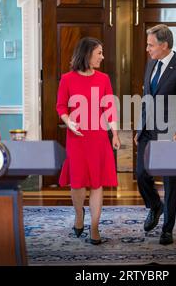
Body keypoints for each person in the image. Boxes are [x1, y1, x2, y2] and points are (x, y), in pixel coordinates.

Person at [134, 24, 176, 245]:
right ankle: (155, 206)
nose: (147, 49)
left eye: (150, 45)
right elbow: (146, 99)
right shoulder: (151, 64)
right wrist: (139, 127)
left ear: (164, 45)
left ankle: (167, 229)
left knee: (170, 183)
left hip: (171, 134)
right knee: (141, 174)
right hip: (148, 131)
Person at [56, 37, 121, 245]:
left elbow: (109, 108)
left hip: (99, 137)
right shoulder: (67, 79)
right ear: (87, 54)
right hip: (77, 138)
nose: (102, 57)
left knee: (96, 182)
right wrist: (69, 122)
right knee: (77, 183)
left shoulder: (104, 79)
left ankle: (94, 227)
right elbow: (61, 107)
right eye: (99, 53)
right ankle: (78, 215)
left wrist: (115, 134)